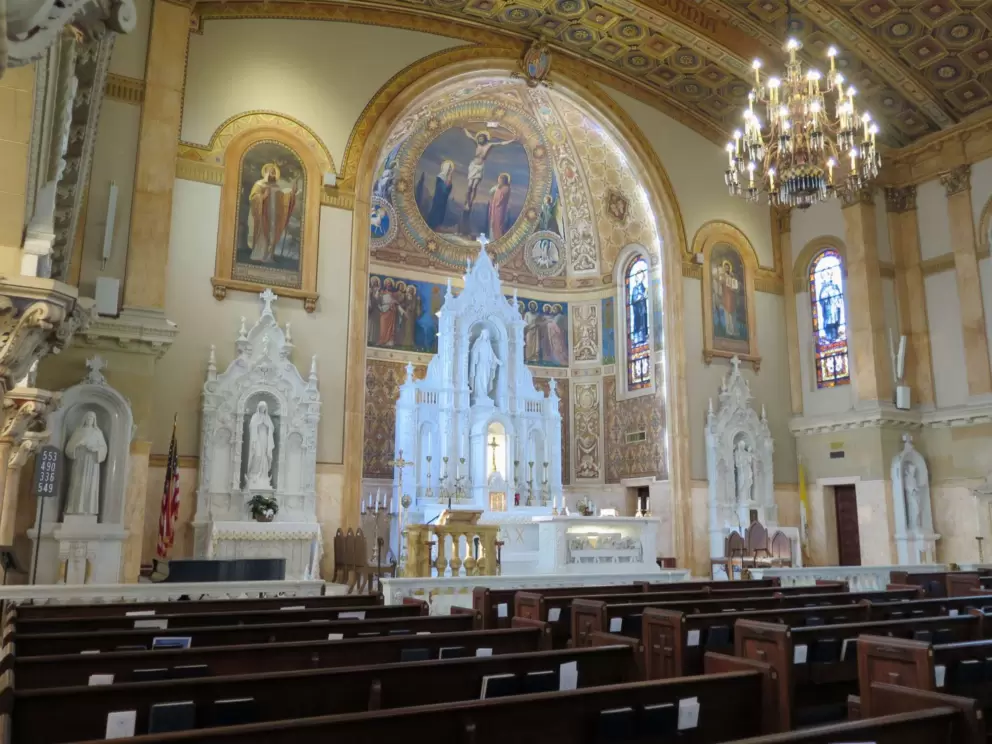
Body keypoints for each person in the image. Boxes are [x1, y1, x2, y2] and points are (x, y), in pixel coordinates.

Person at [248, 163, 300, 264]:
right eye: (271, 172)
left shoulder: (276, 186)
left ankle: (269, 256)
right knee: (262, 235)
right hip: (263, 215)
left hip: (273, 217)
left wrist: (291, 194)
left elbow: (282, 198)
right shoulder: (259, 184)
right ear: (266, 173)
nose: (273, 174)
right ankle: (258, 255)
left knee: (272, 235)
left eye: (274, 172)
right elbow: (253, 198)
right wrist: (263, 196)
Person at [64, 411, 108, 517]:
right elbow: (69, 448)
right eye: (88, 417)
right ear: (84, 419)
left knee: (90, 486)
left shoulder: (98, 433)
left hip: (92, 463)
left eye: (92, 418)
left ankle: (88, 510)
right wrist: (77, 445)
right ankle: (74, 509)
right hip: (80, 462)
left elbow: (103, 448)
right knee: (77, 483)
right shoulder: (78, 431)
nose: (89, 419)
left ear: (94, 420)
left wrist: (94, 449)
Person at [462, 129, 516, 212]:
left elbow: (501, 143)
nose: (480, 140)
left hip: (480, 167)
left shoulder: (489, 145)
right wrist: (464, 129)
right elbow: (470, 136)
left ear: (485, 138)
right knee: (469, 187)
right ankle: (467, 202)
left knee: (474, 186)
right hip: (473, 166)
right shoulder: (477, 144)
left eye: (481, 138)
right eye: (479, 138)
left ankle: (470, 203)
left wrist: (512, 140)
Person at [247, 401, 275, 489]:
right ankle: (254, 474)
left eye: (264, 407)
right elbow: (252, 426)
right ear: (258, 408)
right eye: (261, 407)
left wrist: (267, 425)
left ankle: (264, 475)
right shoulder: (255, 417)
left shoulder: (267, 417)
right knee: (257, 455)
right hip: (257, 438)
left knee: (265, 456)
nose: (263, 409)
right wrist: (259, 423)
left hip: (265, 439)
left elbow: (272, 428)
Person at [469, 329, 502, 403]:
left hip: (487, 365)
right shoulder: (478, 343)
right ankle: (479, 395)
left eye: (487, 334)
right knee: (480, 378)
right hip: (480, 364)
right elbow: (474, 351)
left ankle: (484, 394)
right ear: (482, 334)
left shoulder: (488, 344)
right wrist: (475, 357)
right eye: (486, 334)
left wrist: (497, 361)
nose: (487, 335)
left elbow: (492, 355)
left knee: (486, 379)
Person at [426, 160, 455, 230]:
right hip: (438, 199)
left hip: (442, 200)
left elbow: (447, 188)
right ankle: (433, 225)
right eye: (449, 169)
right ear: (446, 168)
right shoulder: (440, 177)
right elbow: (444, 189)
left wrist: (450, 179)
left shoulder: (445, 178)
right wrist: (448, 185)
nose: (449, 171)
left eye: (450, 170)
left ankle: (436, 226)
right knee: (436, 212)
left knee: (441, 212)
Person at [487, 173, 512, 240]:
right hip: (494, 208)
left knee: (498, 225)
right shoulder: (498, 187)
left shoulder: (506, 188)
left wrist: (497, 192)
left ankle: (497, 240)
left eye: (500, 179)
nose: (498, 180)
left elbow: (501, 198)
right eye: (498, 179)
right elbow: (491, 192)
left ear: (503, 180)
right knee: (493, 223)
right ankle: (492, 240)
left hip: (500, 209)